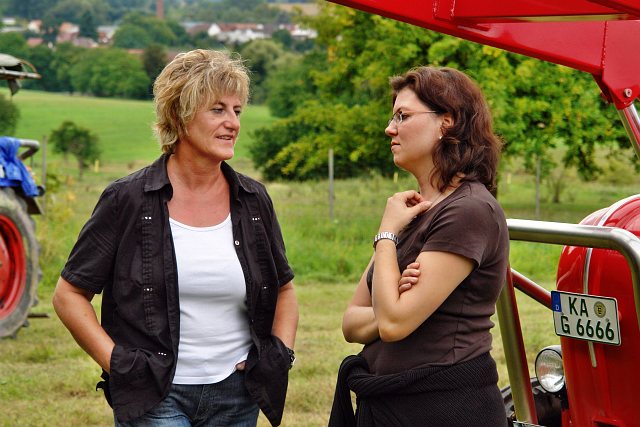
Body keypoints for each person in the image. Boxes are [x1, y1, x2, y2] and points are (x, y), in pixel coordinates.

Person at [52, 49, 299, 427]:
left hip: (237, 395)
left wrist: (277, 357)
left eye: (237, 110)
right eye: (217, 109)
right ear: (179, 115)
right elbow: (69, 295)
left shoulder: (253, 200)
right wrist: (120, 365)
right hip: (155, 395)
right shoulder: (127, 200)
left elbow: (284, 289)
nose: (233, 122)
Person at [330, 66, 509, 426]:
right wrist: (394, 296)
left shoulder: (468, 210)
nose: (389, 128)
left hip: (444, 408)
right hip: (394, 405)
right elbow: (351, 322)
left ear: (447, 122)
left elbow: (393, 324)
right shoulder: (413, 210)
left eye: (402, 116)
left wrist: (386, 235)